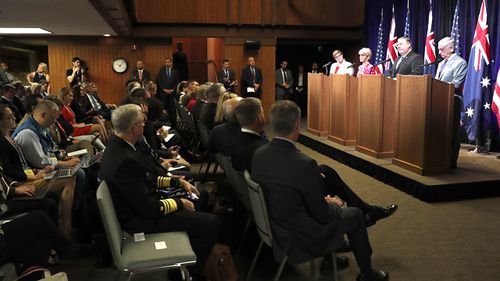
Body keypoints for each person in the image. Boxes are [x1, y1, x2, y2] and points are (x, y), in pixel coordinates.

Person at [251, 101, 392, 281]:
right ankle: (367, 274)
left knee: (324, 177)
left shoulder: (260, 153)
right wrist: (334, 205)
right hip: (298, 236)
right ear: (296, 125)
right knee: (354, 215)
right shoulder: (303, 163)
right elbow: (323, 215)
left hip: (276, 224)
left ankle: (331, 259)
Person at [98, 104, 220, 276]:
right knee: (213, 224)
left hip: (141, 209)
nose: (145, 122)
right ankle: (186, 274)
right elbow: (150, 209)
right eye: (142, 121)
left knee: (198, 200)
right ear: (134, 128)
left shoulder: (119, 147)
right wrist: (179, 203)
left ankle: (187, 256)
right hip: (141, 221)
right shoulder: (125, 160)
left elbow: (147, 178)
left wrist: (178, 183)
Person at [435, 37, 467, 168]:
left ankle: (451, 162)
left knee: (452, 132)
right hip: (439, 101)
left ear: (451, 48)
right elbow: (436, 81)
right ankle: (440, 159)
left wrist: (437, 86)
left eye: (442, 49)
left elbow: (456, 84)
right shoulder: (441, 63)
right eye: (438, 50)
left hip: (453, 101)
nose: (439, 53)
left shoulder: (460, 63)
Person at [156, 57, 179, 125]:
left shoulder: (175, 71)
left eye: (168, 62)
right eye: (165, 62)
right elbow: (159, 81)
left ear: (171, 63)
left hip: (172, 93)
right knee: (165, 108)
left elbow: (177, 82)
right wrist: (164, 89)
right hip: (163, 93)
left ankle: (173, 123)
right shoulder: (161, 71)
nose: (167, 63)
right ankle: (165, 123)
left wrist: (173, 89)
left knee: (172, 109)